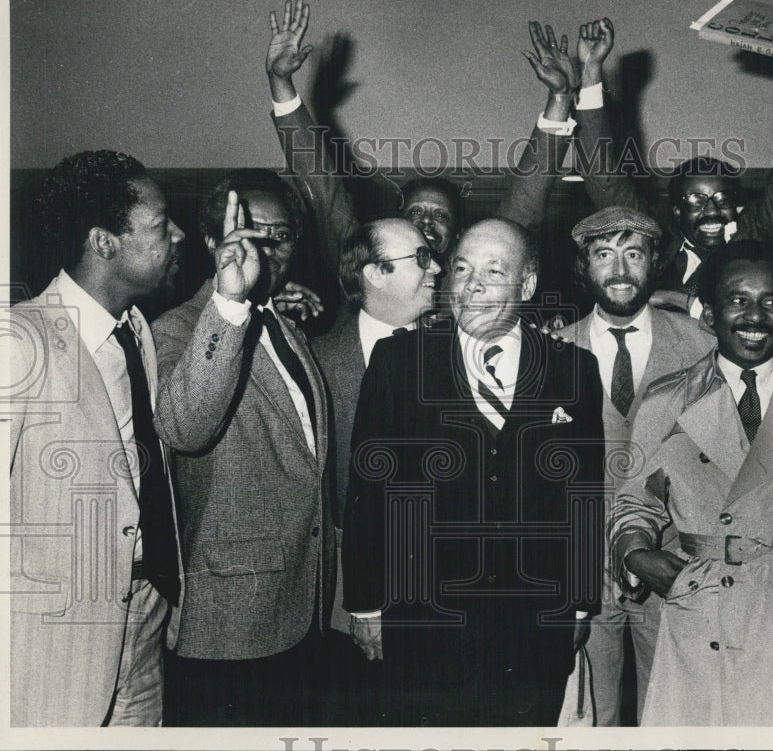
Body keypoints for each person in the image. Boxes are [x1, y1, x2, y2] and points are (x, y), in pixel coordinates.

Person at [341, 218, 605, 726]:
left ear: (527, 285)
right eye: (462, 269)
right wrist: (367, 608)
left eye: (493, 270)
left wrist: (578, 605)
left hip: (534, 626)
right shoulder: (399, 362)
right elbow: (367, 492)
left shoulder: (574, 370)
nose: (473, 284)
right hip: (424, 627)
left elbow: (584, 493)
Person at [608, 240, 773, 725]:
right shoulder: (667, 400)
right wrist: (637, 554)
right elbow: (635, 503)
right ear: (709, 312)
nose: (755, 316)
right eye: (738, 300)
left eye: (771, 301)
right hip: (704, 606)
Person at [5, 150, 184, 725]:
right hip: (55, 639)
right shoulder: (19, 342)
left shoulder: (136, 331)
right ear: (104, 242)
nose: (178, 235)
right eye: (159, 227)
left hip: (145, 616)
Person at [152, 169, 334, 726]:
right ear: (212, 242)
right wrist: (229, 301)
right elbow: (184, 427)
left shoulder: (284, 320)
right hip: (229, 619)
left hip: (302, 603)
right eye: (249, 234)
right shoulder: (178, 328)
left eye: (280, 236)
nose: (266, 249)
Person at [265, 0, 571, 285]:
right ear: (396, 222)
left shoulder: (473, 286)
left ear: (460, 234)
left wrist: (559, 99)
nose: (426, 222)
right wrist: (281, 84)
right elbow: (324, 190)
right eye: (415, 212)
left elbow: (526, 202)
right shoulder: (366, 271)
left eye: (440, 216)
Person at [553, 206, 714, 725]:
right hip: (579, 569)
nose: (619, 270)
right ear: (584, 269)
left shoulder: (704, 346)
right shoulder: (550, 351)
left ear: (655, 264)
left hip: (673, 561)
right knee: (586, 717)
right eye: (604, 255)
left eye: (634, 254)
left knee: (670, 711)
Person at [573, 0, 773, 317]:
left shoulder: (760, 238)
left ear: (740, 206)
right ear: (675, 211)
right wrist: (591, 72)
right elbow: (603, 177)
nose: (712, 211)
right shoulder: (653, 242)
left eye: (722, 198)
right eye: (695, 200)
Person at [308, 218, 441, 722]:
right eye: (422, 258)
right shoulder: (315, 361)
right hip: (344, 598)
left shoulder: (459, 354)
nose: (439, 268)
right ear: (376, 273)